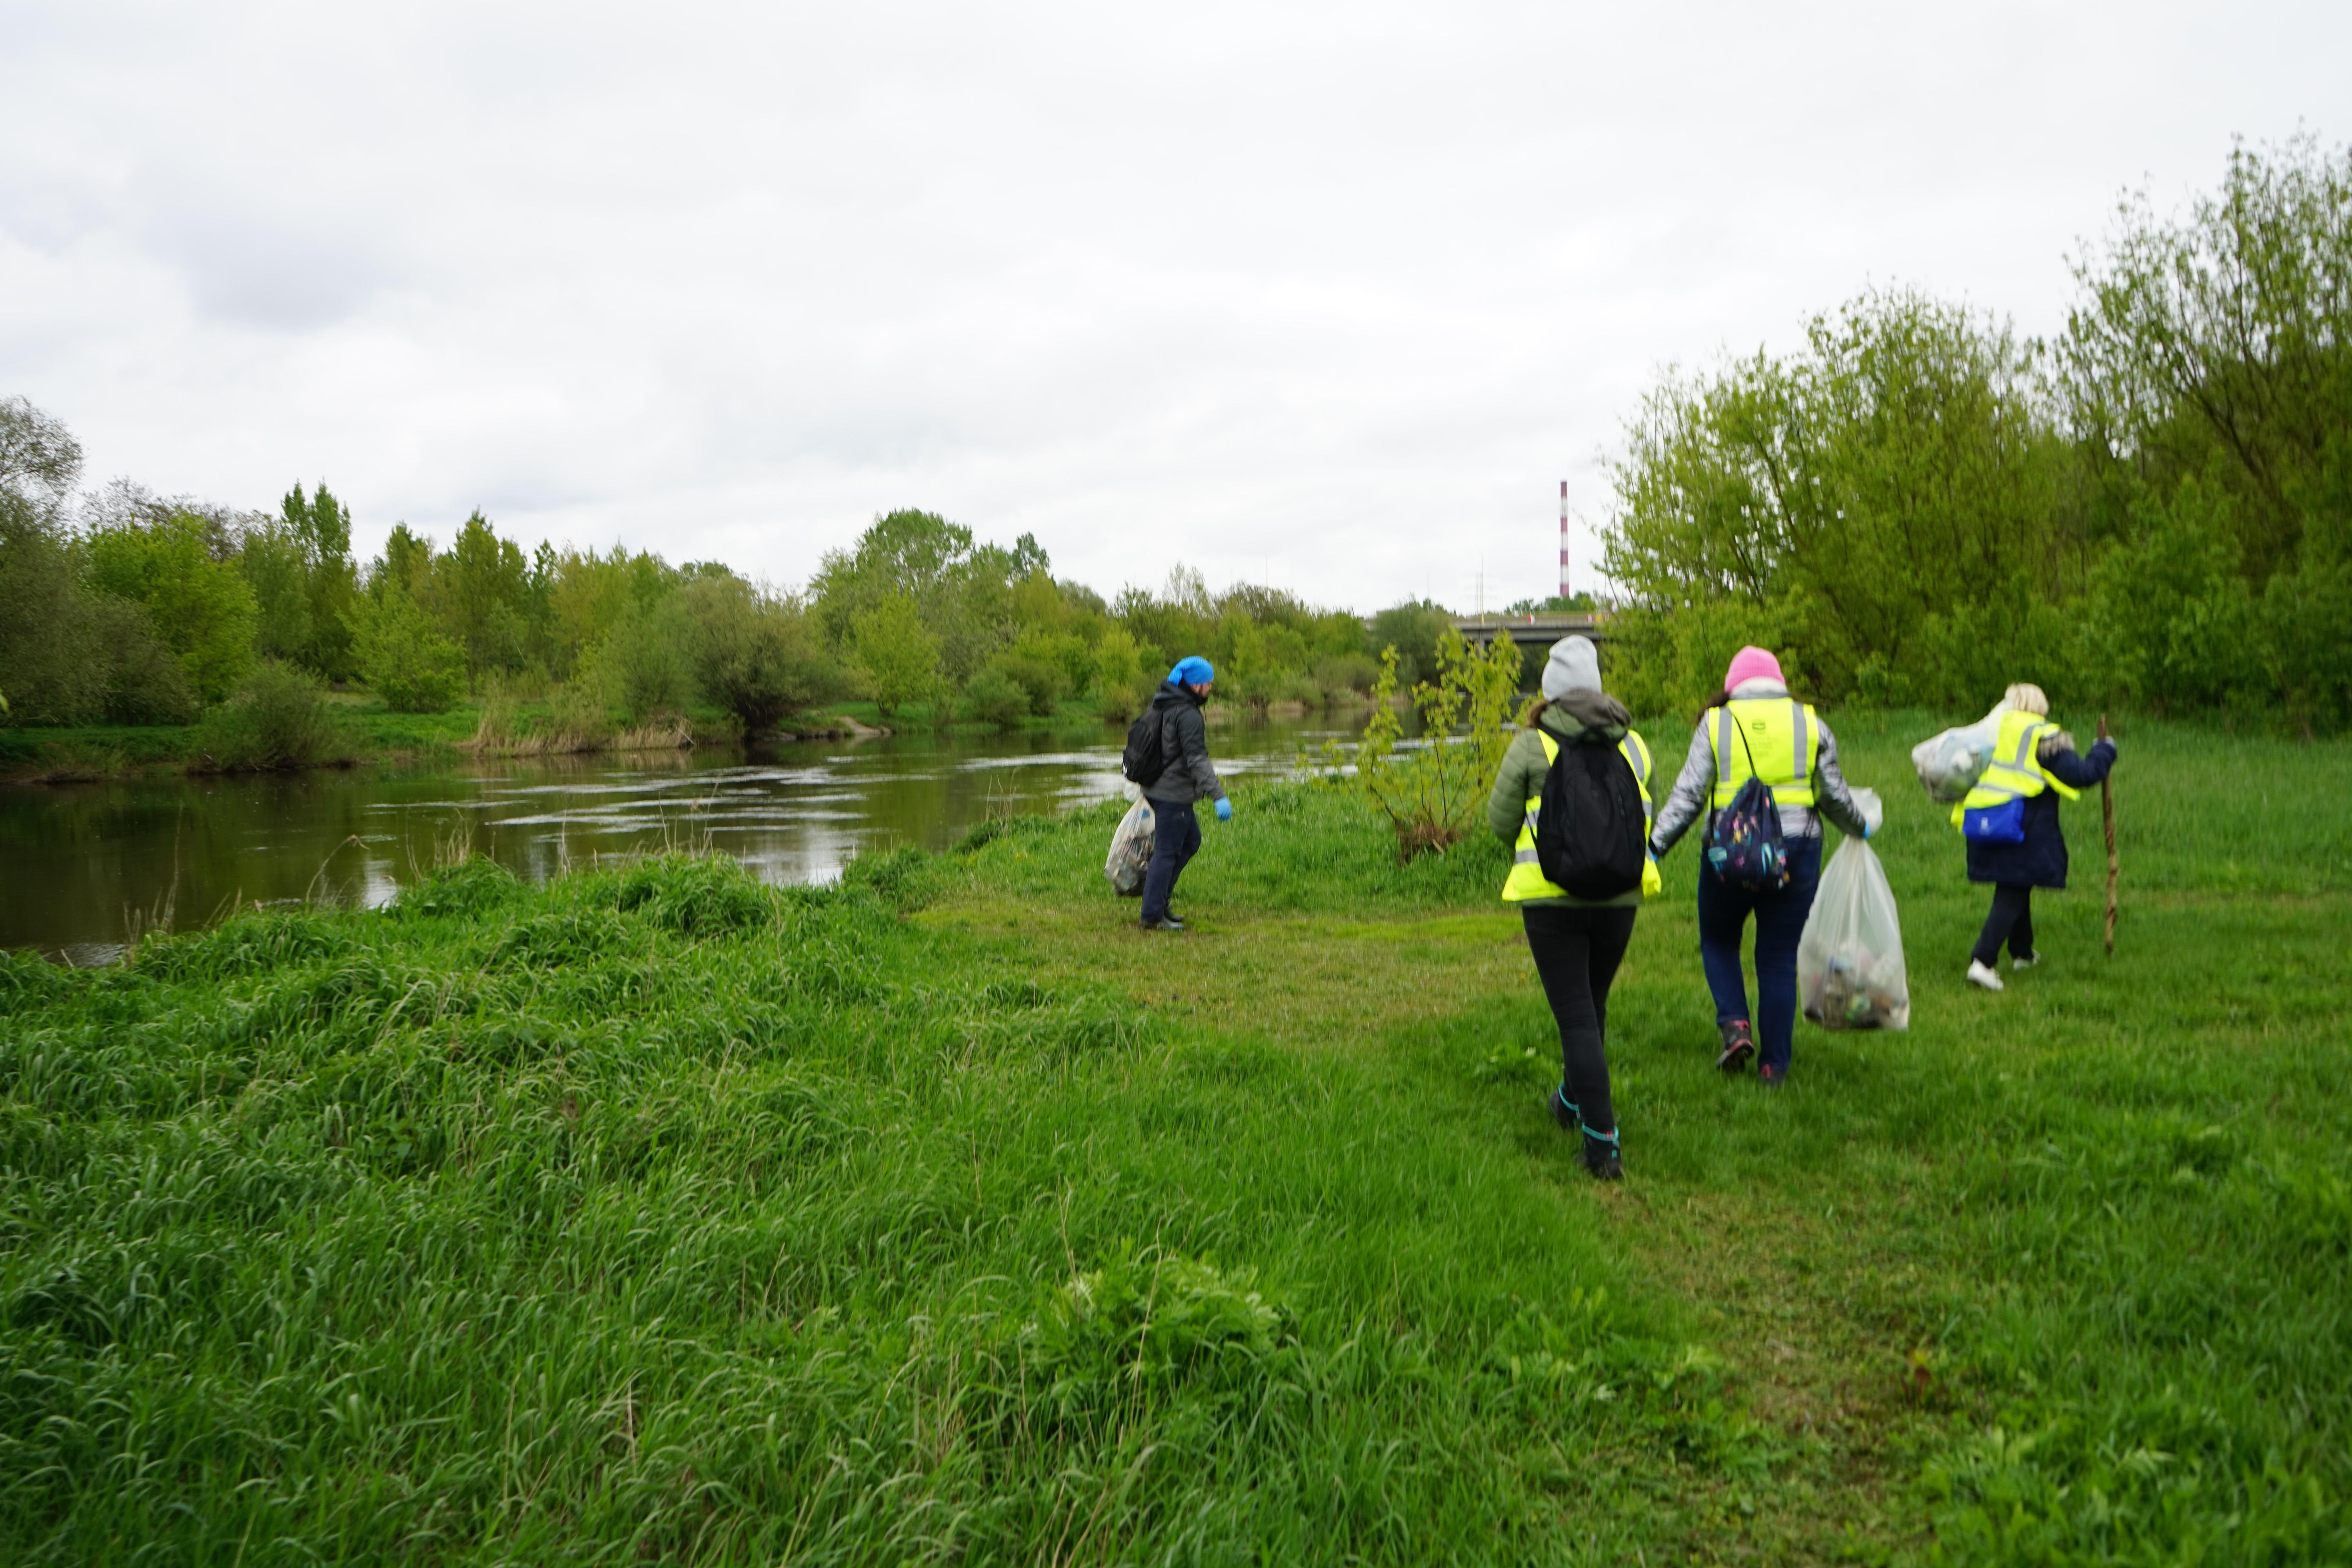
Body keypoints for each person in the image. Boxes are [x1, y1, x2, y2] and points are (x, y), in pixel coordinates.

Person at [1648, 646, 1873, 1087]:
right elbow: (1833, 794)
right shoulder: (1810, 724)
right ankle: (1774, 1067)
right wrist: (1859, 827)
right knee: (1778, 958)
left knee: (1718, 939)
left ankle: (1736, 1025)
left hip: (1729, 853)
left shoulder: (1717, 723)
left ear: (1733, 686)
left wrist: (1655, 847)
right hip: (1796, 852)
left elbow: (1689, 796)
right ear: (1779, 683)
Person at [1486, 635, 1660, 1180]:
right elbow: (1644, 814)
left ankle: (1602, 1142)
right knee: (1592, 1004)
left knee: (1577, 1016)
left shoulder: (1532, 745)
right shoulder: (1635, 746)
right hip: (1620, 899)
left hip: (1551, 900)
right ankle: (1569, 1100)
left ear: (1551, 691)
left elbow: (1499, 821)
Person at [1955, 683, 2116, 991]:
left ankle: (2022, 952)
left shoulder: (1990, 732)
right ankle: (1983, 962)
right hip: (2020, 826)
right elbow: (2081, 774)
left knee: (2017, 882)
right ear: (2040, 706)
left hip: (1984, 822)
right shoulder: (2040, 734)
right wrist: (2105, 749)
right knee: (2014, 888)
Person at [1138, 656, 1230, 932]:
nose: (1211, 688)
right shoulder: (1188, 715)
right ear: (1196, 685)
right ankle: (1152, 915)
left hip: (1157, 787)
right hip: (1172, 793)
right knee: (1167, 852)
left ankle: (1159, 901)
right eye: (1208, 683)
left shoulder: (1162, 703)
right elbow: (1197, 760)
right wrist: (1218, 796)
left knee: (1191, 841)